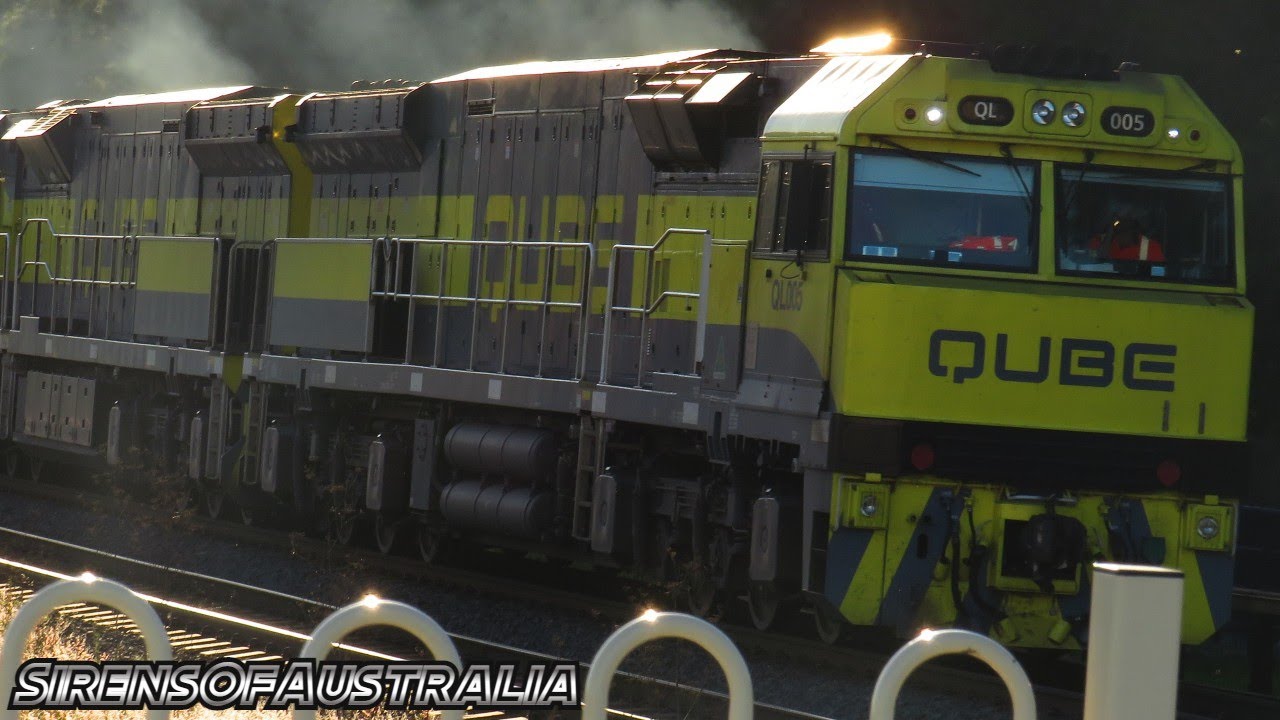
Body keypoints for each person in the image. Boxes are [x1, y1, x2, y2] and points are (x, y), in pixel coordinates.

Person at [1089, 215, 1165, 262]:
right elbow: (1091, 265)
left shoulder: (1152, 248)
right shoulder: (1097, 241)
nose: (1125, 218)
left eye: (1130, 214)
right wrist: (1109, 234)